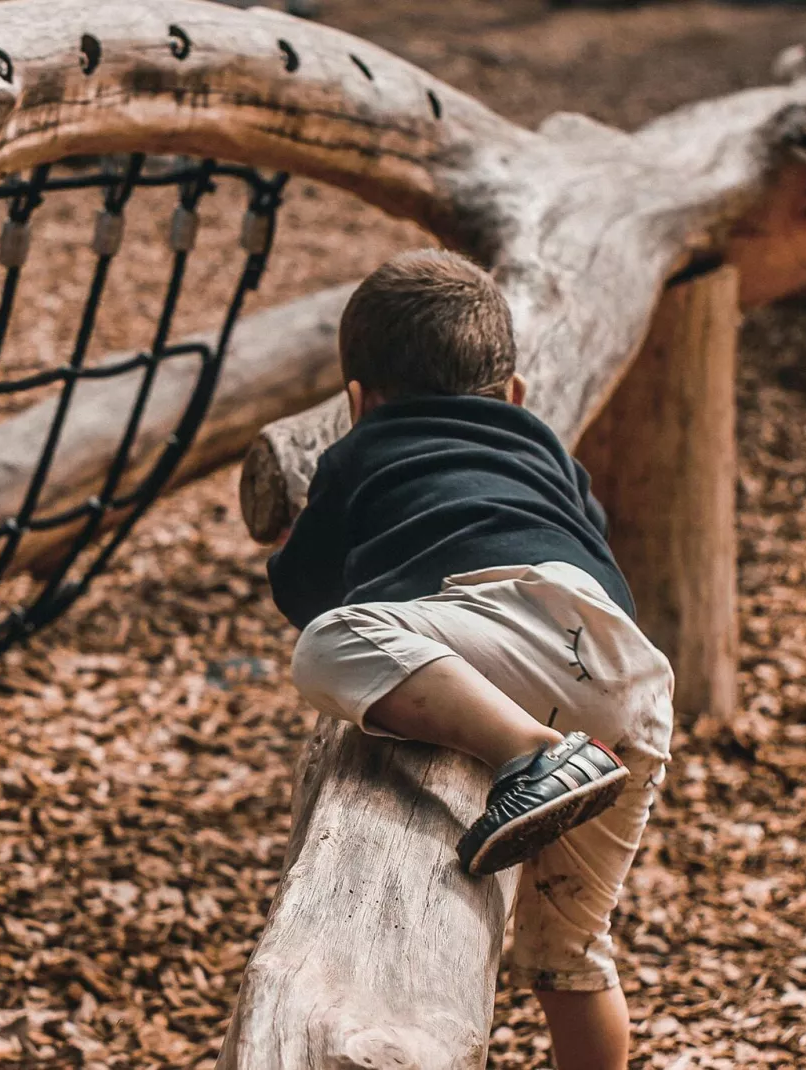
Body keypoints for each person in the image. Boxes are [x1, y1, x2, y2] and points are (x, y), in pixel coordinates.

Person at [268, 249, 674, 1070]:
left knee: (328, 645)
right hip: (627, 673)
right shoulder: (548, 452)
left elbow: (303, 592)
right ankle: (560, 756)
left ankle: (533, 754)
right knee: (571, 954)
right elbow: (583, 539)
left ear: (356, 402)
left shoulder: (360, 450)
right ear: (516, 394)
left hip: (517, 637)